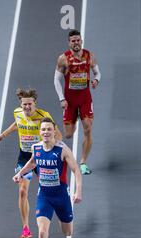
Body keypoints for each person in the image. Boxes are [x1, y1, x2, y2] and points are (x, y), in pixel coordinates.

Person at [13, 118, 82, 238]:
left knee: (68, 232)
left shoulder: (62, 149)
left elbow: (76, 171)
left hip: (61, 197)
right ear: (40, 132)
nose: (45, 132)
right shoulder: (36, 148)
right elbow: (32, 162)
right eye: (42, 129)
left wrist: (78, 191)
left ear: (53, 131)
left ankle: (64, 219)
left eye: (48, 129)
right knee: (42, 233)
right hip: (44, 196)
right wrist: (20, 173)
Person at [0, 88, 62, 238]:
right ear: (21, 104)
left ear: (34, 103)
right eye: (24, 104)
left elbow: (58, 135)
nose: (27, 107)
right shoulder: (17, 113)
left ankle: (61, 214)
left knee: (50, 190)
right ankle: (26, 229)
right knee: (22, 192)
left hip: (42, 156)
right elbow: (17, 124)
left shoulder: (44, 116)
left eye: (30, 104)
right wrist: (2, 136)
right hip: (25, 157)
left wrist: (50, 147)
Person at [54, 29, 101, 175]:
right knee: (68, 134)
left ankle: (83, 162)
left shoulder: (90, 55)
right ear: (69, 43)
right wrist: (62, 98)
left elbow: (97, 73)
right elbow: (56, 79)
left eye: (78, 40)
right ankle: (57, 129)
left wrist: (96, 80)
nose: (76, 43)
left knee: (87, 127)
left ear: (81, 41)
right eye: (73, 40)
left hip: (85, 98)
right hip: (70, 101)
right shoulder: (63, 59)